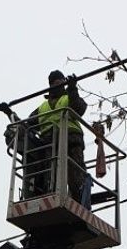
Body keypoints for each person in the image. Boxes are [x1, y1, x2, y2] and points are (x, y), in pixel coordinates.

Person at [36, 70, 88, 203]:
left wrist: (72, 88)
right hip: (50, 146)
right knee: (50, 177)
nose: (59, 86)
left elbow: (79, 108)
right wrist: (9, 113)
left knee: (76, 177)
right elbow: (26, 125)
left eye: (61, 83)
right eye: (55, 83)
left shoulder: (69, 97)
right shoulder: (42, 107)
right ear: (50, 85)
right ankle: (49, 196)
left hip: (71, 142)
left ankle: (80, 201)